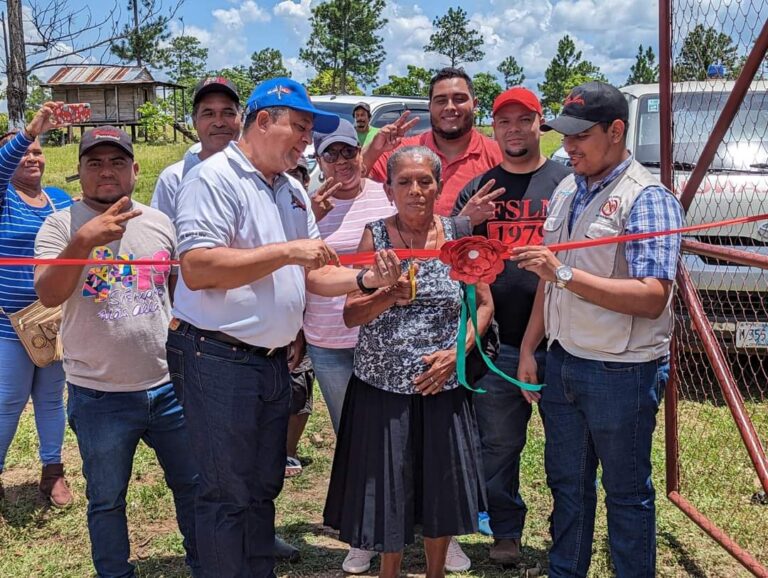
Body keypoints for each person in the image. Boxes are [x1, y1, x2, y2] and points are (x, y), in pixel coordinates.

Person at [166, 77, 402, 578]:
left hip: (272, 362)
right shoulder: (213, 178)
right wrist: (288, 252)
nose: (306, 141)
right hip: (217, 356)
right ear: (263, 120)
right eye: (299, 127)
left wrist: (367, 279)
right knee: (226, 492)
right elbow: (199, 267)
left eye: (309, 131)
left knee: (261, 486)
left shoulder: (292, 189)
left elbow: (316, 272)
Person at [512, 81, 683, 578]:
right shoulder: (568, 188)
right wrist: (529, 347)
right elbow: (547, 279)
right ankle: (566, 571)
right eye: (565, 135)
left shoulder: (648, 199)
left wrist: (564, 274)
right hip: (564, 360)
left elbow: (652, 297)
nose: (568, 146)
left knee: (626, 493)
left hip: (621, 371)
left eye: (580, 136)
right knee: (567, 485)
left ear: (616, 131)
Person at [34, 126, 199, 577]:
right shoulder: (60, 225)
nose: (106, 171)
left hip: (168, 387)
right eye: (95, 163)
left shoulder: (159, 222)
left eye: (117, 162)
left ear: (135, 169)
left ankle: (205, 563)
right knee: (106, 499)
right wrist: (83, 241)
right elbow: (49, 294)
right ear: (79, 171)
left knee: (193, 486)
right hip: (98, 393)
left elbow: (175, 291)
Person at [324, 145, 493, 578]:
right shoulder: (375, 237)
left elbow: (484, 306)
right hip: (382, 389)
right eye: (404, 182)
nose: (415, 190)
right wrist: (387, 296)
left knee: (440, 486)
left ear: (439, 186)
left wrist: (457, 354)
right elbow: (351, 314)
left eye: (425, 181)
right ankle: (389, 571)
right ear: (389, 190)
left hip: (442, 386)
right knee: (388, 487)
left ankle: (436, 571)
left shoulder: (458, 234)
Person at [452, 87, 571, 565]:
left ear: (541, 123)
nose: (514, 130)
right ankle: (505, 531)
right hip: (497, 342)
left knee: (566, 451)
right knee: (498, 447)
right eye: (504, 122)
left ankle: (566, 535)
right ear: (493, 128)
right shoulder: (479, 190)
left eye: (524, 120)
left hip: (562, 341)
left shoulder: (566, 184)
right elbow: (449, 255)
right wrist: (465, 221)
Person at [303, 119, 397, 574]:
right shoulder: (305, 205)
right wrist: (310, 216)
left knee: (397, 435)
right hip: (326, 340)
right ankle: (365, 534)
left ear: (362, 154)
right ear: (319, 161)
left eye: (349, 152)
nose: (342, 162)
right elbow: (292, 268)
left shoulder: (385, 196)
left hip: (380, 337)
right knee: (352, 440)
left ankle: (417, 527)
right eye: (331, 154)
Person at [0, 103, 74, 507]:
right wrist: (29, 131)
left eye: (38, 151)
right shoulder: (4, 199)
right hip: (8, 325)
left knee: (50, 398)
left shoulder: (59, 200)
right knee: (7, 402)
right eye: (23, 151)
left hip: (52, 322)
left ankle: (53, 472)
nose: (32, 157)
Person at [362, 67, 502, 216]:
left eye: (459, 99)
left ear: (474, 104)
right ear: (429, 107)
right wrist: (374, 150)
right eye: (441, 101)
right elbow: (352, 180)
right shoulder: (403, 152)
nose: (449, 107)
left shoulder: (498, 156)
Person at [151, 76, 240, 221]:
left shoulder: (259, 173)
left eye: (228, 113)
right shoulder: (174, 178)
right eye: (208, 114)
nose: (219, 122)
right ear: (194, 121)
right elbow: (161, 230)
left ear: (241, 118)